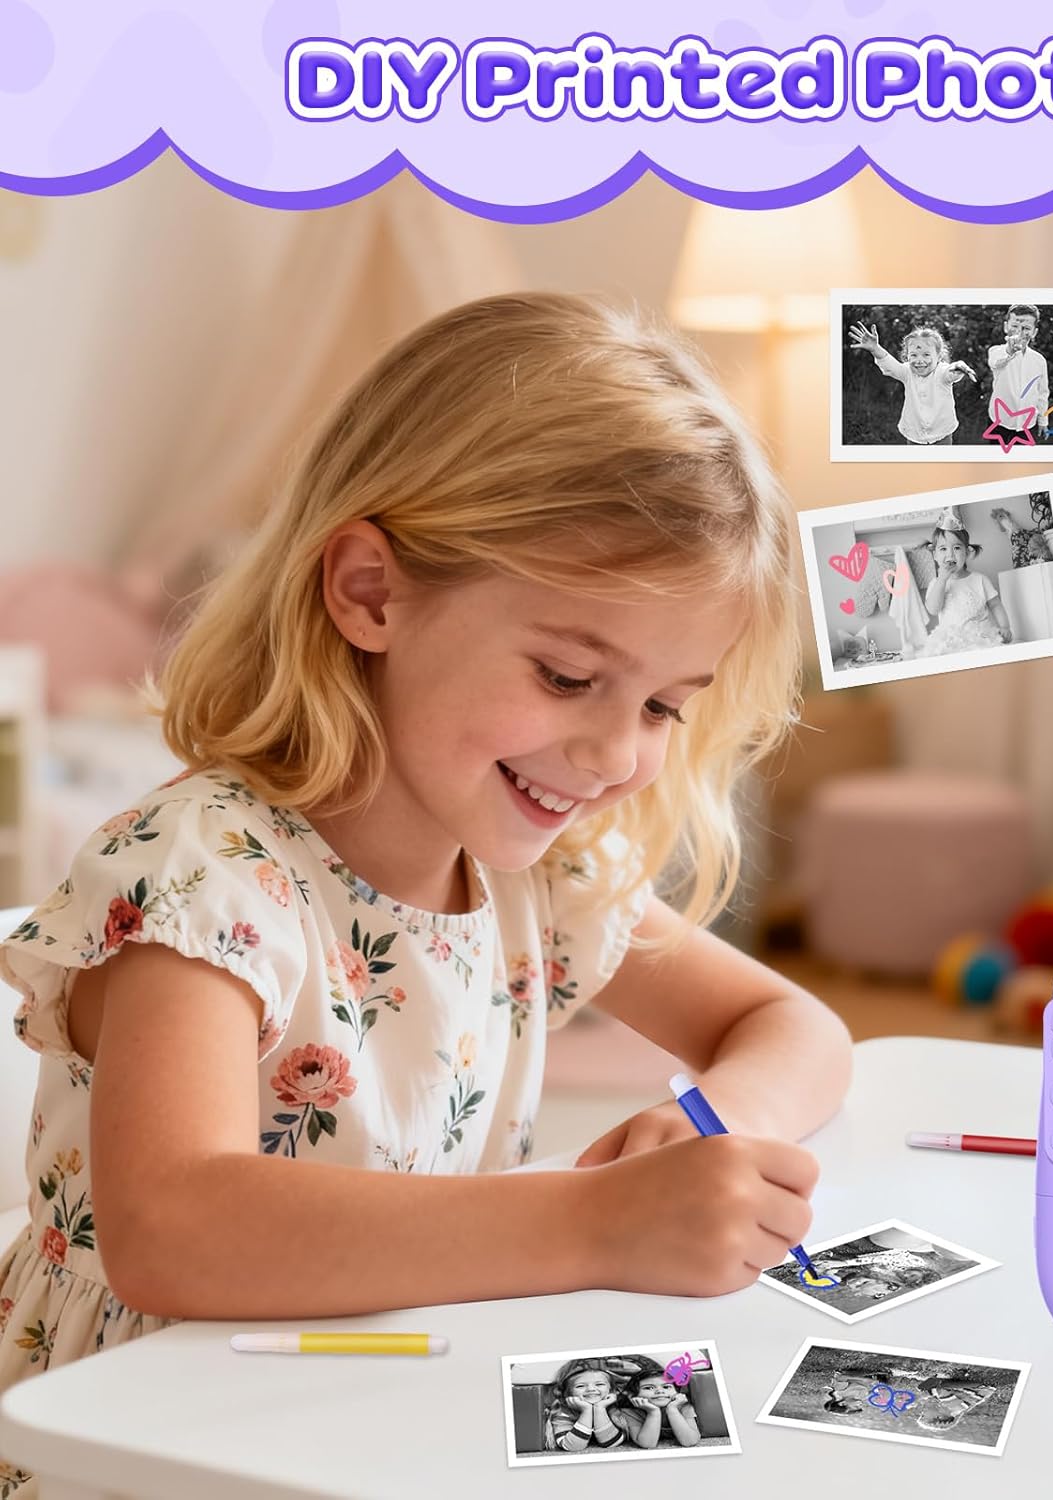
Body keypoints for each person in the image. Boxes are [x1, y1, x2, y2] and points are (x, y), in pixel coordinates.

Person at [0, 295, 854, 1494]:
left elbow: (794, 1029)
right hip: (137, 1441)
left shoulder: (538, 879)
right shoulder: (199, 879)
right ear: (370, 593)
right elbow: (175, 1231)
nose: (618, 754)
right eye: (569, 676)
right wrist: (599, 1223)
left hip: (370, 1396)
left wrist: (711, 1125)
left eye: (665, 704)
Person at [847, 321, 977, 445]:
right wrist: (875, 348)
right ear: (907, 356)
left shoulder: (942, 372)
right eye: (914, 355)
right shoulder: (907, 371)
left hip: (942, 434)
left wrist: (960, 367)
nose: (919, 360)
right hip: (914, 434)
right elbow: (890, 365)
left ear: (938, 356)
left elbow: (952, 371)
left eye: (926, 355)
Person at [917, 509, 1014, 657]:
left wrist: (1005, 626)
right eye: (943, 549)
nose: (950, 554)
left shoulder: (980, 579)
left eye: (956, 548)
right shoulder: (936, 583)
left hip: (980, 639)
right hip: (950, 642)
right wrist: (942, 580)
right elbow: (933, 609)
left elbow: (995, 604)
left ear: (967, 552)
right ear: (935, 555)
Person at [987, 303, 1050, 444]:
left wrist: (1043, 420)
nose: (1019, 332)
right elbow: (996, 362)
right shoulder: (996, 351)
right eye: (1014, 326)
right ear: (1006, 327)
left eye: (1026, 328)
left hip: (1028, 424)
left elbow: (1042, 392)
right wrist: (1010, 353)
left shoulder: (1039, 360)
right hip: (999, 421)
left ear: (1034, 332)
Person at [543, 1360, 631, 1452]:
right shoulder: (563, 1412)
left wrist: (600, 1408)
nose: (591, 1389)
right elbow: (572, 1446)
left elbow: (611, 1443)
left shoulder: (615, 1410)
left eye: (599, 1384)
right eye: (580, 1386)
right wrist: (586, 1411)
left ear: (612, 1391)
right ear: (567, 1393)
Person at [611, 1366, 702, 1449]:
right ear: (632, 1396)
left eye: (666, 1387)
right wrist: (653, 1412)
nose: (660, 1391)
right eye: (649, 1388)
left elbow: (690, 1441)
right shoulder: (630, 1412)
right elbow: (647, 1444)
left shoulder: (683, 1406)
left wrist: (672, 1409)